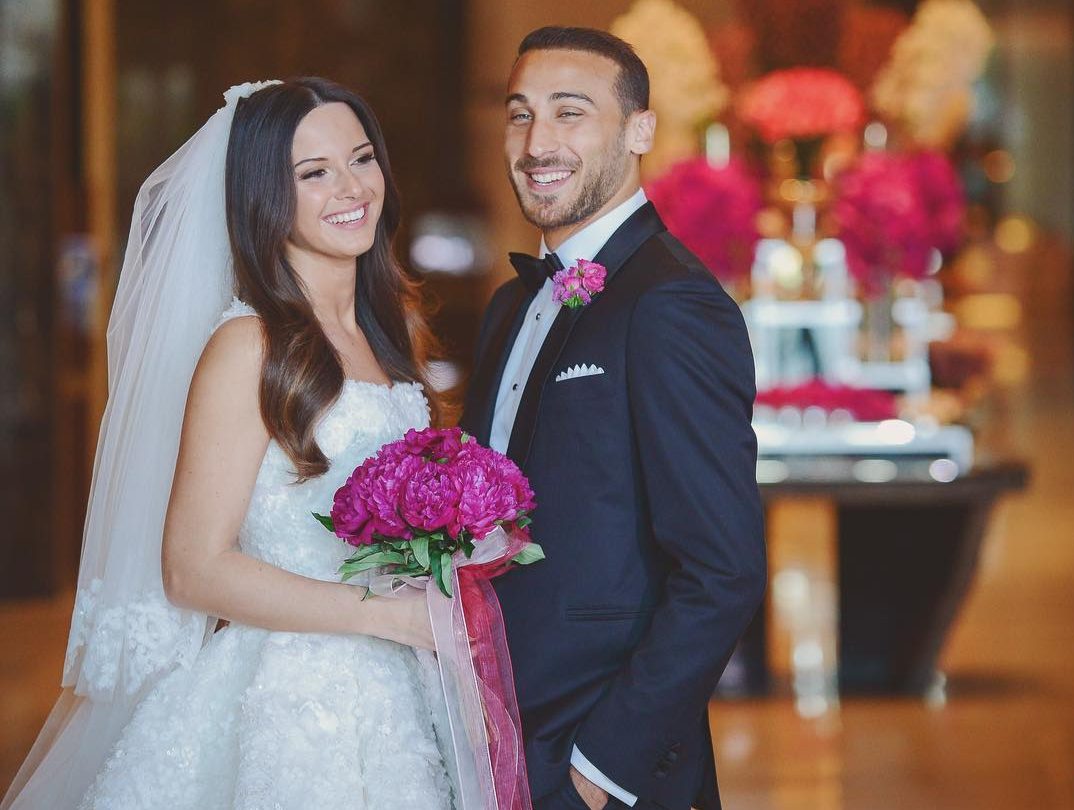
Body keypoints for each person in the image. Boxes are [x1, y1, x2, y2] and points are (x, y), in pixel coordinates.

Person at [3, 78, 459, 810]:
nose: (351, 187)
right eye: (313, 173)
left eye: (362, 159)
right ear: (264, 199)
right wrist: (383, 616)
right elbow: (193, 570)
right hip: (290, 695)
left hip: (405, 680)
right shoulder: (249, 345)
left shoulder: (389, 330)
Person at [461, 27, 767, 810]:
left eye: (571, 113)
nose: (538, 143)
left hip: (601, 764)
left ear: (640, 132)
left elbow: (721, 571)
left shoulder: (673, 303)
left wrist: (600, 774)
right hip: (493, 737)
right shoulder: (509, 305)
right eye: (520, 114)